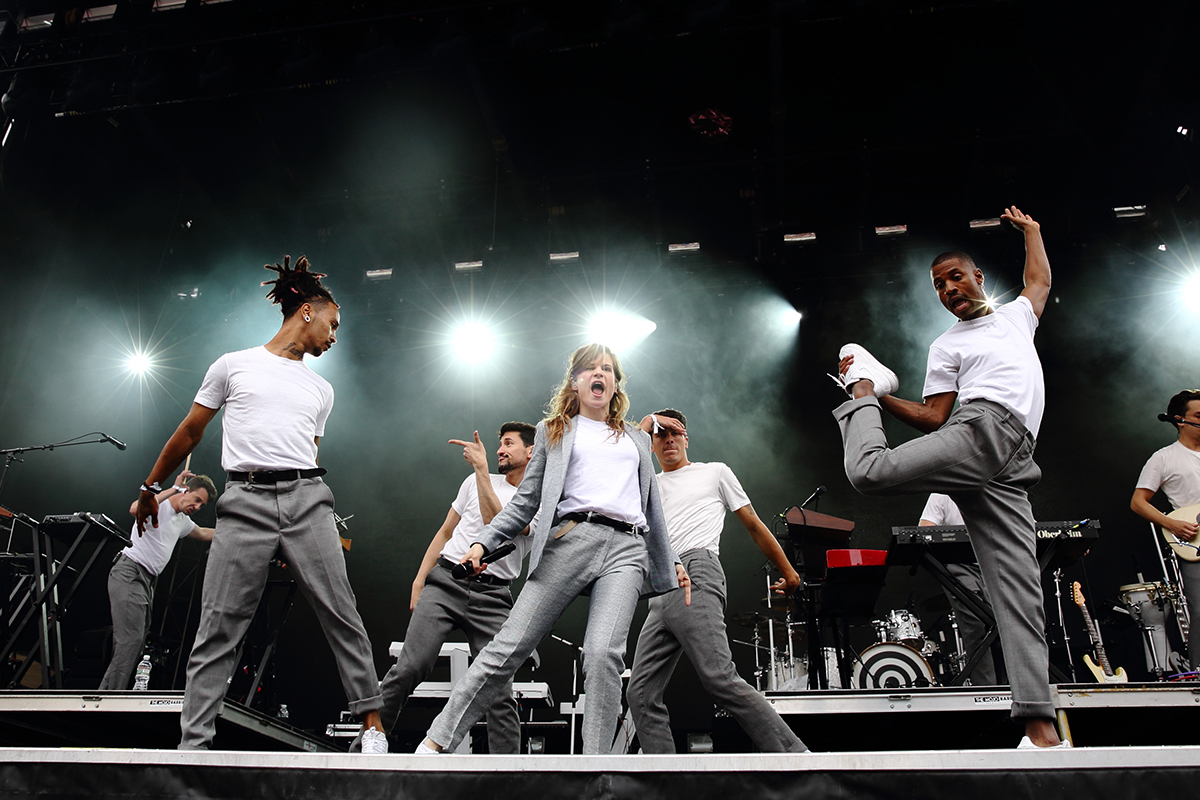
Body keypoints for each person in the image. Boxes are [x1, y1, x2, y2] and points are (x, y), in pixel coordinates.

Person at [831, 206, 1065, 749]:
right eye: (939, 285)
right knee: (868, 470)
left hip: (1011, 463)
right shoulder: (947, 345)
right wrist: (884, 399)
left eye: (955, 277)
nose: (948, 289)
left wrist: (1032, 231)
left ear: (978, 276)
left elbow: (1040, 279)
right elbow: (936, 415)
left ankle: (1040, 730)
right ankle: (863, 389)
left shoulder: (1014, 317)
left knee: (1019, 590)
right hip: (979, 429)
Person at [132, 255, 386, 753]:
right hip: (243, 500)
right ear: (307, 312)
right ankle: (194, 747)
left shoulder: (322, 388)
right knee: (218, 625)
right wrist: (149, 488)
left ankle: (373, 728)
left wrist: (291, 520)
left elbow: (307, 454)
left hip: (307, 499)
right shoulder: (234, 365)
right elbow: (190, 431)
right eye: (332, 324)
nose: (334, 336)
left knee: (341, 610)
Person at [417, 343, 691, 755]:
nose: (598, 374)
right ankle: (438, 740)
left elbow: (651, 506)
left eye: (607, 369)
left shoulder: (635, 439)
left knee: (603, 656)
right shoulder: (554, 431)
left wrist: (669, 559)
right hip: (569, 539)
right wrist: (481, 543)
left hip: (626, 549)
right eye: (589, 369)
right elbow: (526, 502)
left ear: (615, 384)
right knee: (508, 646)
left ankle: (598, 767)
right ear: (576, 381)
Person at [626, 408, 808, 753]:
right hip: (660, 586)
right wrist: (646, 422)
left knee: (718, 676)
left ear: (686, 439)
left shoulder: (714, 473)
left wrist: (788, 570)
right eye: (659, 435)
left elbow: (753, 523)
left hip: (696, 570)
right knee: (640, 692)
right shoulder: (647, 484)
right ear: (650, 443)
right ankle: (666, 778)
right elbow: (621, 461)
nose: (667, 440)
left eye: (674, 434)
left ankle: (795, 755)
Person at [353, 422, 537, 752]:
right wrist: (420, 579)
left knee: (498, 689)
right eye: (499, 444)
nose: (499, 450)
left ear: (531, 452)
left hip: (493, 597)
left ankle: (509, 777)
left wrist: (481, 468)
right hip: (446, 582)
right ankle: (370, 744)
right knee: (410, 665)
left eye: (509, 444)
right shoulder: (472, 482)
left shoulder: (535, 499)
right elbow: (445, 533)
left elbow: (501, 523)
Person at [99, 470, 217, 690]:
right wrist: (173, 489)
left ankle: (111, 692)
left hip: (147, 582)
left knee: (137, 641)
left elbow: (201, 533)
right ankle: (107, 697)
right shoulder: (159, 505)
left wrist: (231, 531)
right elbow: (135, 509)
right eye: (197, 500)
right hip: (130, 572)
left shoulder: (182, 521)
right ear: (186, 490)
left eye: (202, 505)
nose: (197, 507)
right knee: (131, 640)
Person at [1131, 389, 1200, 671]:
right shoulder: (1164, 458)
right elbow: (1138, 502)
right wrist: (1172, 523)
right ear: (1180, 420)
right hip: (1194, 542)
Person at [918, 493, 999, 686]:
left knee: (1011, 626)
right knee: (975, 627)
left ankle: (1018, 688)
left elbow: (1029, 526)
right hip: (961, 566)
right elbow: (924, 531)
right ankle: (987, 690)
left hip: (997, 565)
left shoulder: (999, 486)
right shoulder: (942, 493)